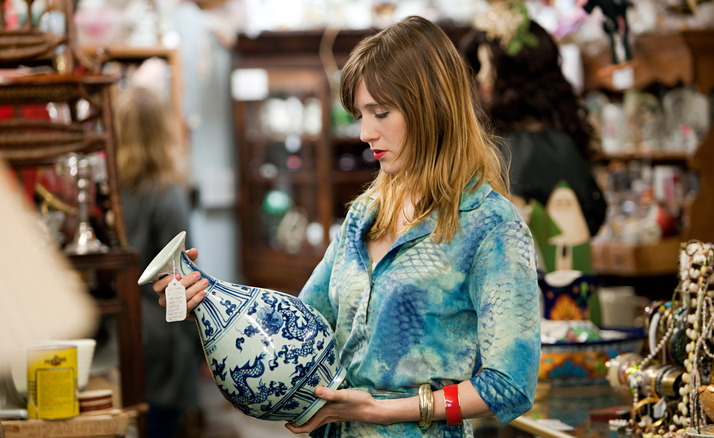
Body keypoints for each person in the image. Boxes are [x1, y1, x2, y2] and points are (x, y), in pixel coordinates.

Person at [152, 16, 540, 437]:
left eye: (381, 113)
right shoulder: (365, 214)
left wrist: (383, 410)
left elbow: (510, 385)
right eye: (360, 114)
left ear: (433, 107)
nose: (364, 132)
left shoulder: (491, 226)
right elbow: (300, 329)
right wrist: (206, 299)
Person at [461, 6, 608, 237]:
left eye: (488, 66)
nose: (482, 77)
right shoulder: (560, 143)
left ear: (515, 74)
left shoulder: (515, 149)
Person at [114, 85, 203, 438]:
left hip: (126, 333)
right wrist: (202, 348)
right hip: (164, 335)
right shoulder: (167, 194)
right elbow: (186, 277)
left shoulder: (112, 194)